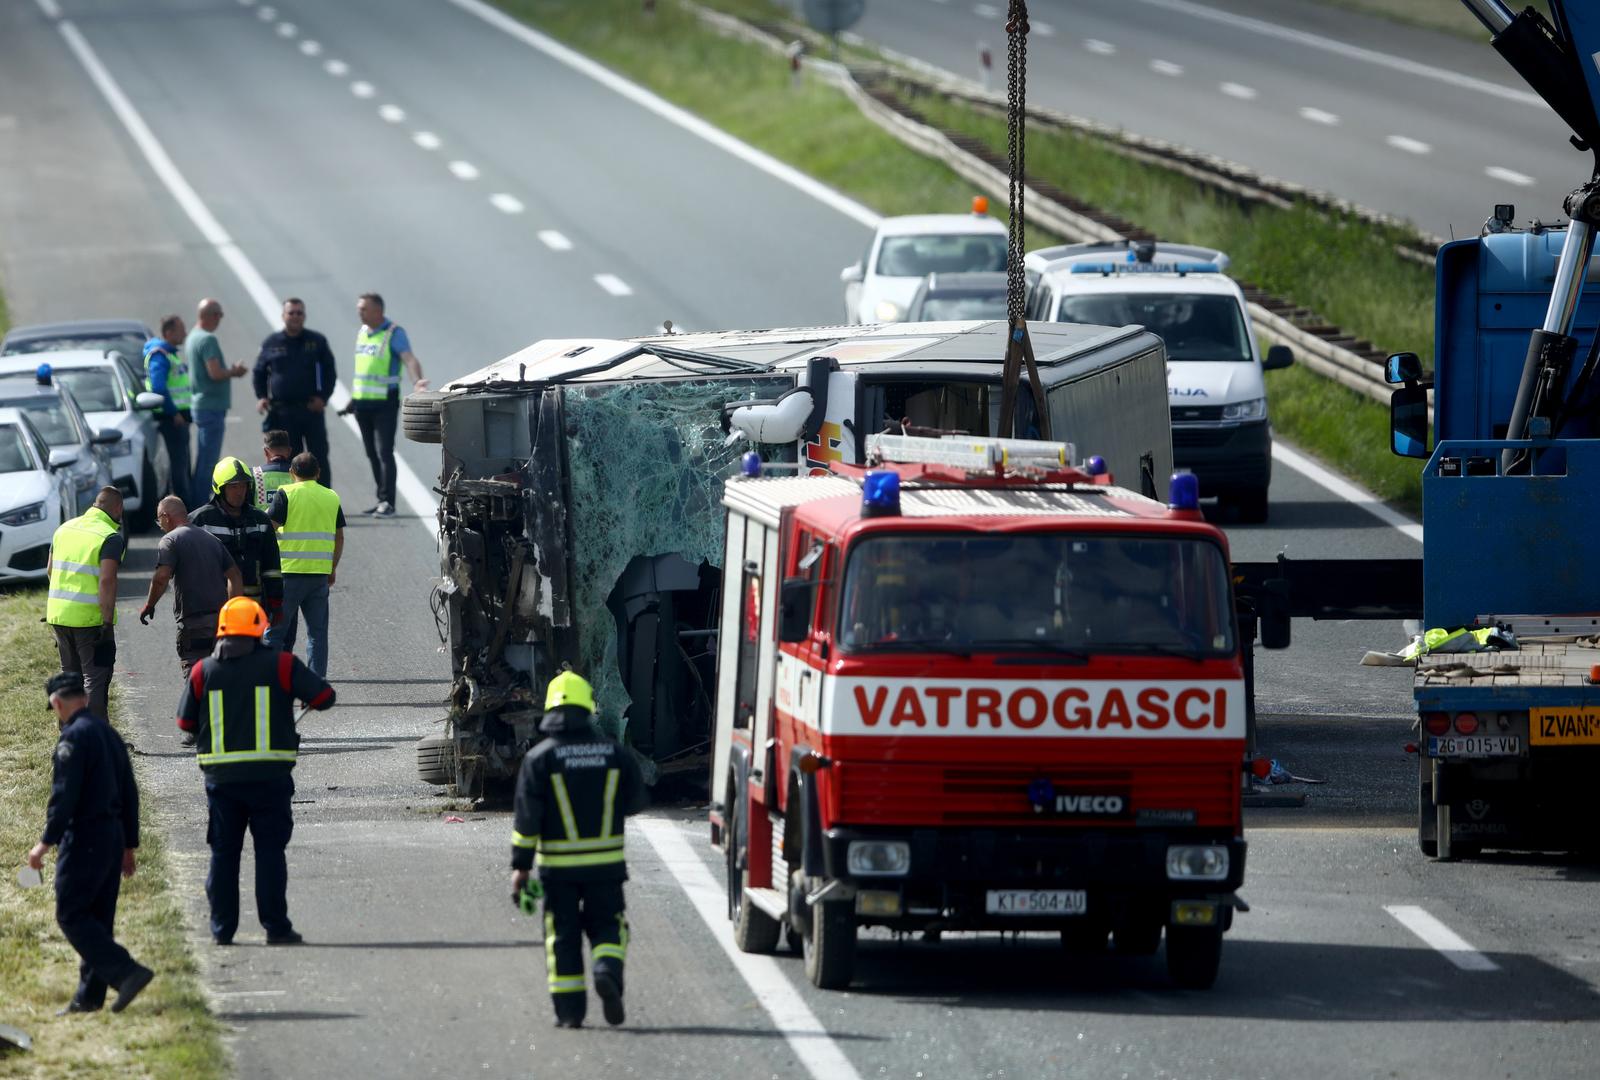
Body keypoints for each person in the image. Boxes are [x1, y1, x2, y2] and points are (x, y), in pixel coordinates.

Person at [176, 597, 335, 946]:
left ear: (222, 631)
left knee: (224, 854)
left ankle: (222, 930)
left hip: (222, 782)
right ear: (260, 628)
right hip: (270, 779)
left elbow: (185, 722)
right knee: (269, 854)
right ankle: (276, 928)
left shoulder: (203, 671)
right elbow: (325, 697)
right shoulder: (282, 664)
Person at [510, 671, 646, 1028]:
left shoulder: (539, 759)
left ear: (550, 710)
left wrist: (521, 868)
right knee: (609, 926)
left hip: (558, 872)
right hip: (606, 868)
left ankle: (570, 1013)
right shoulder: (615, 754)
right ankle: (606, 970)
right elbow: (636, 802)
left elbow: (527, 821)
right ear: (589, 708)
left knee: (562, 937)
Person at [27, 672, 154, 1015]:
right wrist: (128, 845)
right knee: (98, 918)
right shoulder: (109, 734)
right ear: (83, 698)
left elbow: (64, 798)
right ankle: (89, 997)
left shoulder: (72, 739)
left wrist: (44, 844)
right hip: (112, 837)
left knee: (71, 913)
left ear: (57, 703)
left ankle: (127, 972)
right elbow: (129, 792)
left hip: (85, 837)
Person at [141, 495, 244, 683]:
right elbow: (235, 576)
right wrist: (231, 612)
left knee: (195, 680)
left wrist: (150, 605)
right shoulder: (212, 539)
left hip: (193, 624)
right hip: (219, 623)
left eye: (159, 520)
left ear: (165, 517)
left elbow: (161, 577)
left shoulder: (170, 540)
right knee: (219, 676)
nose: (160, 525)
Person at [46, 487, 125, 719]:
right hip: (90, 620)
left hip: (59, 615)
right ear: (118, 509)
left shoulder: (63, 529)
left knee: (70, 679)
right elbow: (107, 580)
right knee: (95, 678)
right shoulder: (110, 537)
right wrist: (107, 623)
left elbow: (50, 569)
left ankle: (69, 730)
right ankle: (95, 733)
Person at [345, 292, 427, 516]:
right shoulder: (363, 332)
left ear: (378, 311)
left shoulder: (393, 333)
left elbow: (409, 359)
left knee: (384, 451)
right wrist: (353, 399)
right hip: (362, 403)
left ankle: (388, 502)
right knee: (371, 453)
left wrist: (417, 381)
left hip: (384, 403)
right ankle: (381, 498)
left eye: (364, 309)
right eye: (359, 308)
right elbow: (364, 370)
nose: (359, 312)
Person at [264, 453, 343, 677]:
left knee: (275, 631)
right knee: (317, 634)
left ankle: (271, 678)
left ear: (292, 473)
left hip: (288, 574)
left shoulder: (285, 493)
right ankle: (317, 682)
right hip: (319, 575)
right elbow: (339, 537)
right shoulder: (331, 496)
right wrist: (332, 567)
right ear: (318, 473)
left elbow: (269, 528)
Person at [254, 298, 337, 484]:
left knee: (319, 457)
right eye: (291, 313)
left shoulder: (317, 341)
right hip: (283, 412)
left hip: (311, 410)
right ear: (283, 316)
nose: (295, 316)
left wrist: (323, 398)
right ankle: (292, 496)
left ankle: (325, 496)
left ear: (304, 316)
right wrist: (262, 397)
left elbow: (330, 372)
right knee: (289, 460)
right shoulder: (271, 342)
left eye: (299, 313)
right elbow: (259, 372)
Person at [192, 457, 283, 626]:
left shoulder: (260, 520)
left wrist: (275, 601)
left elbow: (272, 565)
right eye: (233, 486)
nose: (240, 492)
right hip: (212, 610)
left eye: (243, 486)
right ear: (220, 489)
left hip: (252, 609)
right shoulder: (200, 521)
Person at [186, 298, 249, 504]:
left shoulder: (193, 336)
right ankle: (200, 504)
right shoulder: (207, 339)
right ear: (210, 315)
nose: (220, 319)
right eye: (218, 314)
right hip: (210, 406)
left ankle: (197, 501)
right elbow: (214, 372)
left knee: (204, 458)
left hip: (202, 405)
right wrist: (234, 372)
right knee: (208, 461)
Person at [143, 314, 192, 505]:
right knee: (178, 464)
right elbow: (159, 388)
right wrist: (174, 412)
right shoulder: (160, 355)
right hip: (172, 419)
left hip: (178, 417)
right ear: (169, 333)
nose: (185, 333)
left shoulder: (169, 353)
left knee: (181, 462)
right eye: (181, 330)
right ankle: (183, 506)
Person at [253, 429, 296, 513]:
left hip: (263, 521)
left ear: (265, 451)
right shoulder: (299, 476)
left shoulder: (255, 475)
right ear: (289, 451)